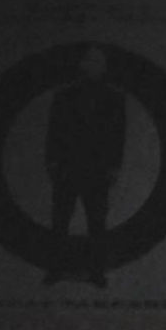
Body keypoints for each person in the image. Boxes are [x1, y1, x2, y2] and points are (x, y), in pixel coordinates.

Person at [43, 44, 125, 287]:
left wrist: (114, 166)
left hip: (97, 169)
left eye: (98, 61)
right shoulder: (63, 95)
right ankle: (55, 269)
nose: (93, 65)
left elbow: (118, 136)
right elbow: (53, 131)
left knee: (97, 224)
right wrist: (51, 162)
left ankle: (96, 272)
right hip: (67, 167)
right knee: (60, 222)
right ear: (81, 64)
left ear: (104, 67)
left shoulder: (114, 98)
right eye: (90, 60)